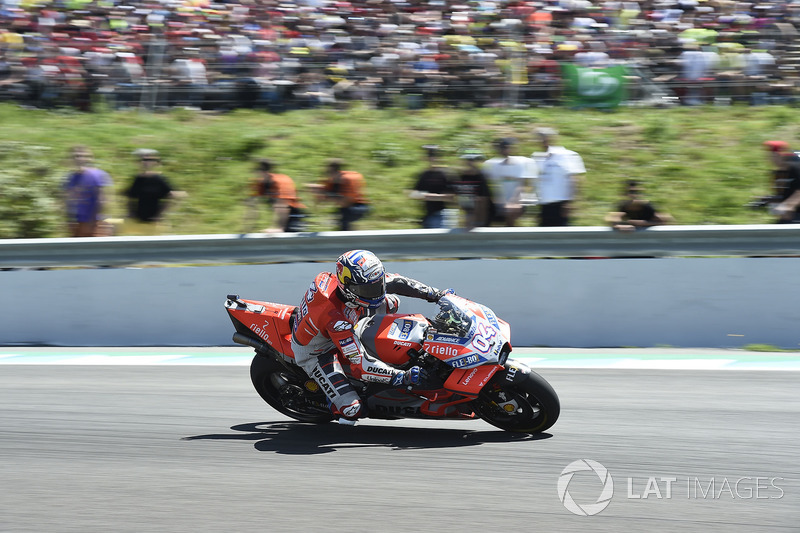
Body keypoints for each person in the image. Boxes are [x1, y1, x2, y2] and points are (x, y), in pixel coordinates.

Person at [290, 249, 452, 422]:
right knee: (352, 410)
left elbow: (398, 282)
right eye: (367, 289)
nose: (376, 292)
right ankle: (332, 402)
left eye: (378, 284)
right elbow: (360, 364)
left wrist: (436, 294)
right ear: (348, 287)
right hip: (317, 351)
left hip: (346, 317)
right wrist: (400, 376)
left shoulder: (359, 280)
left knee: (392, 302)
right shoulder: (336, 319)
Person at [124, 149, 186, 235]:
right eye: (143, 160)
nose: (145, 163)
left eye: (149, 160)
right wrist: (130, 213)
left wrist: (161, 214)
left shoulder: (159, 179)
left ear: (156, 163)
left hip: (154, 223)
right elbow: (130, 197)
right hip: (137, 222)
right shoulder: (138, 179)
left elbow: (176, 195)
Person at [532, 127, 585, 227]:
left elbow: (575, 179)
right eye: (539, 138)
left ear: (553, 138)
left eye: (545, 137)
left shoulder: (567, 155)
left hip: (561, 205)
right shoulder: (537, 157)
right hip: (543, 205)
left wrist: (570, 202)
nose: (542, 140)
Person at [482, 138, 538, 226]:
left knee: (510, 211)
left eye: (507, 147)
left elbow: (524, 185)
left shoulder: (522, 162)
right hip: (499, 202)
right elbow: (487, 184)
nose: (505, 150)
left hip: (518, 200)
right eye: (502, 148)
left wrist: (515, 202)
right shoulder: (490, 164)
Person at [63, 145, 113, 237]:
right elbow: (67, 201)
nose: (80, 159)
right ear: (71, 159)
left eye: (84, 156)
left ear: (90, 158)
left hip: (97, 223)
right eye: (76, 156)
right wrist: (68, 220)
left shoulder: (98, 175)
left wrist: (92, 223)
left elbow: (103, 200)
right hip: (78, 223)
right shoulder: (70, 178)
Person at [307, 159, 370, 231]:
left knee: (345, 217)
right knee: (342, 218)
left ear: (336, 171)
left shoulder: (348, 179)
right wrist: (317, 192)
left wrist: (325, 193)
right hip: (346, 208)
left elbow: (346, 202)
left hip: (359, 207)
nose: (327, 175)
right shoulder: (332, 180)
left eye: (328, 172)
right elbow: (322, 200)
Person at [246, 158, 306, 233]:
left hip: (294, 216)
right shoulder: (261, 183)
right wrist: (247, 227)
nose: (255, 174)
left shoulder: (281, 181)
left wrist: (279, 229)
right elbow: (252, 204)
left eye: (256, 171)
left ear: (262, 172)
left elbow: (282, 206)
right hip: (282, 214)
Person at [408, 145, 456, 229]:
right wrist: (435, 196)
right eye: (429, 156)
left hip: (443, 214)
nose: (432, 158)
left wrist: (426, 196)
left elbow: (450, 197)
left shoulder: (446, 174)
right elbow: (413, 194)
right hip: (428, 214)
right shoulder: (424, 174)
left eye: (434, 155)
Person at [606, 180, 674, 232]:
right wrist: (618, 225)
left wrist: (641, 223)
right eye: (630, 192)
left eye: (636, 193)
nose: (633, 196)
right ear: (624, 194)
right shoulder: (624, 205)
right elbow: (610, 217)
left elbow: (665, 220)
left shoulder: (647, 206)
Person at [452, 148, 492, 229]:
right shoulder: (460, 177)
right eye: (468, 160)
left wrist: (479, 223)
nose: (470, 162)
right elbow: (456, 198)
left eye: (473, 160)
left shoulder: (480, 177)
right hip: (468, 217)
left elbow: (483, 201)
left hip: (480, 219)